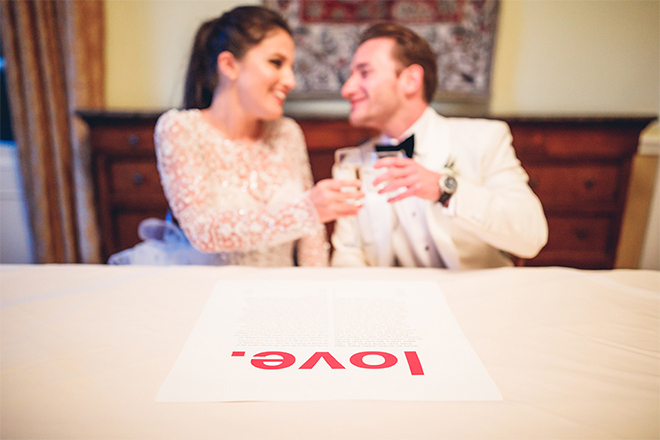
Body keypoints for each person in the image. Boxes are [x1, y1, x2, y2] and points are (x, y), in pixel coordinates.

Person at [109, 6, 362, 267]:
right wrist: (305, 211)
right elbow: (203, 232)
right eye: (276, 62)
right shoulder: (180, 129)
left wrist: (315, 288)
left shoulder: (287, 132)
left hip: (278, 291)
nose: (290, 80)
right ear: (229, 65)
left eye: (291, 67)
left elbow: (311, 235)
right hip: (205, 289)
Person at [331, 23, 548, 269]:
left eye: (364, 72)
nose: (346, 89)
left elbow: (532, 237)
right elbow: (349, 254)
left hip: (479, 298)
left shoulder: (484, 139)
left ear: (411, 80)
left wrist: (446, 190)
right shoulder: (351, 166)